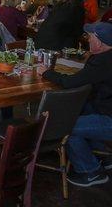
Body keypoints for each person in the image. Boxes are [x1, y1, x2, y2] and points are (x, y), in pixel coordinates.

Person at [41, 22, 112, 187]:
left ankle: (90, 170)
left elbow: (70, 82)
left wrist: (46, 72)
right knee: (80, 108)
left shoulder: (103, 62)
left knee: (65, 125)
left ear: (100, 43)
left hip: (109, 118)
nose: (87, 39)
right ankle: (103, 156)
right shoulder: (104, 57)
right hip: (104, 107)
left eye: (90, 37)